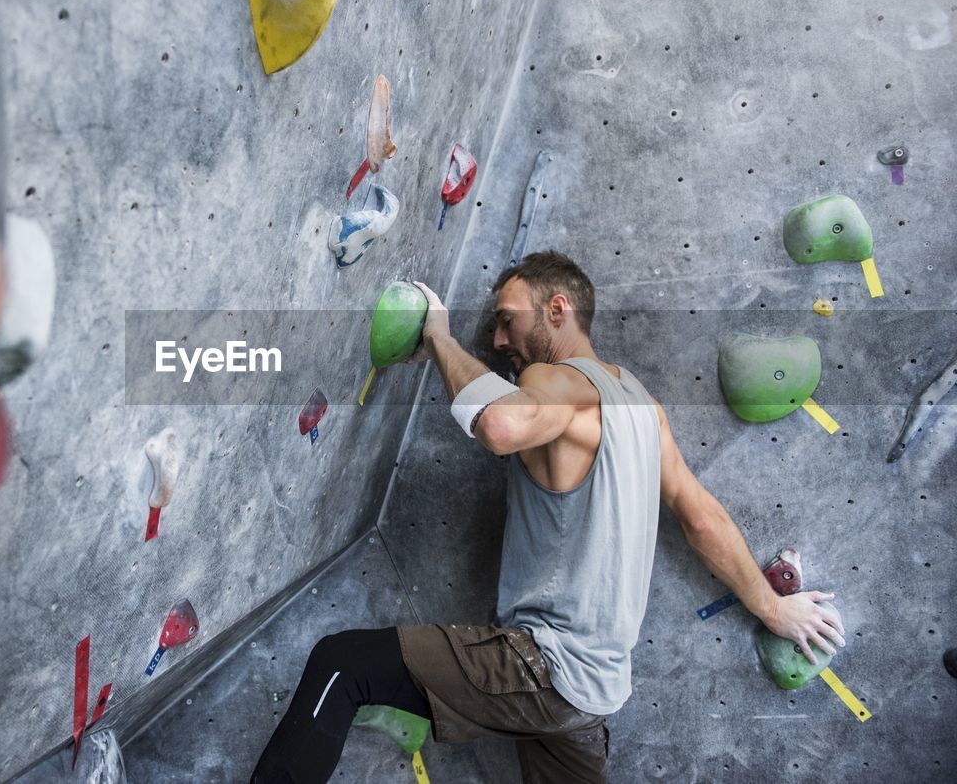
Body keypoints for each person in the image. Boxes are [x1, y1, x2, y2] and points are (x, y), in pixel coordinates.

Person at [251, 250, 846, 783]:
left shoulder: (559, 378)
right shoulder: (642, 406)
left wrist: (437, 338)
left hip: (544, 665)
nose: (501, 340)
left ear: (557, 308)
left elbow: (502, 425)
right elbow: (704, 521)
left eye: (508, 319)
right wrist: (774, 610)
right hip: (596, 692)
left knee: (343, 665)